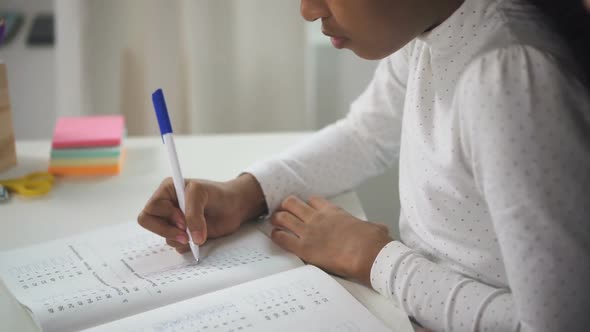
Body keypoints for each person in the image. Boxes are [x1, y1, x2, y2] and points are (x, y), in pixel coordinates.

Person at [138, 0, 590, 330]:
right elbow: (364, 136)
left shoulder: (508, 81)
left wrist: (374, 258)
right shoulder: (432, 32)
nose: (308, 10)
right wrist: (244, 192)